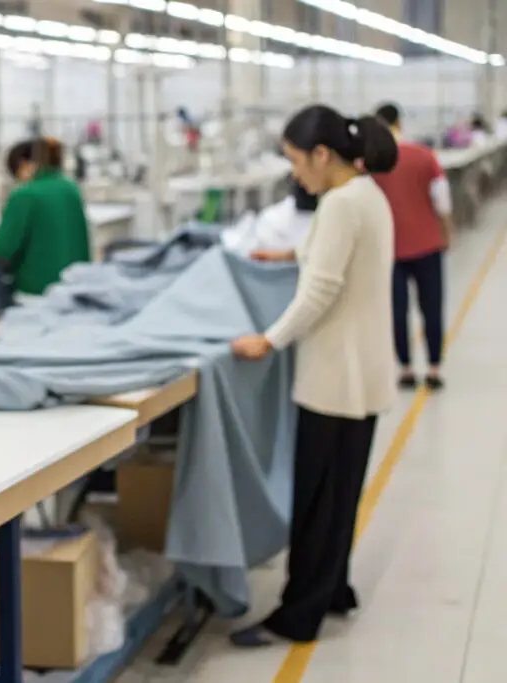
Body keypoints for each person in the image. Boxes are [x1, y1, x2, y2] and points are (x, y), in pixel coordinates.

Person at [229, 105, 399, 647]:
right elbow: (332, 254)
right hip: (364, 372)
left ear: (322, 155)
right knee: (340, 494)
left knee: (314, 504)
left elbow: (321, 289)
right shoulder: (366, 194)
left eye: (297, 162)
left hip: (334, 377)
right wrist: (286, 253)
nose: (296, 175)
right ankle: (334, 589)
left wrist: (269, 339)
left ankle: (297, 616)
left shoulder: (339, 205)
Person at [373, 103, 454, 391]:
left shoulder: (374, 165)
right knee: (432, 306)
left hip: (391, 249)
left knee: (397, 310)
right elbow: (442, 200)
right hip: (427, 245)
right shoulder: (424, 156)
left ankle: (406, 368)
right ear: (399, 122)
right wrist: (446, 233)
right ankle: (434, 367)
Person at [0, 138, 90, 296]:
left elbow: (2, 249)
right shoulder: (70, 188)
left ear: (24, 165)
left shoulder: (24, 195)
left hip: (38, 290)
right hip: (76, 287)